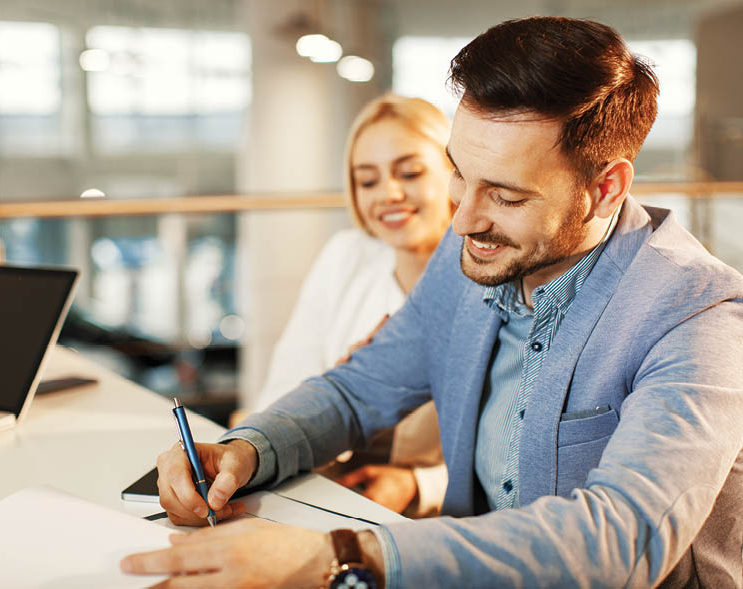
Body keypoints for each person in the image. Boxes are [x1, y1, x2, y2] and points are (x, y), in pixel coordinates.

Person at [121, 16, 743, 588]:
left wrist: (339, 557)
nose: (462, 219)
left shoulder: (699, 316)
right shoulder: (474, 253)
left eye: (505, 196)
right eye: (458, 173)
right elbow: (359, 389)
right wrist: (248, 448)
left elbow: (622, 542)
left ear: (604, 188)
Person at [248, 94, 453, 516]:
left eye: (410, 173)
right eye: (367, 180)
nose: (389, 194)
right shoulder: (346, 256)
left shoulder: (491, 278)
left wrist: (418, 485)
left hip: (436, 521)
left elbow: (512, 454)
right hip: (322, 492)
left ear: (455, 172)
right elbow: (281, 392)